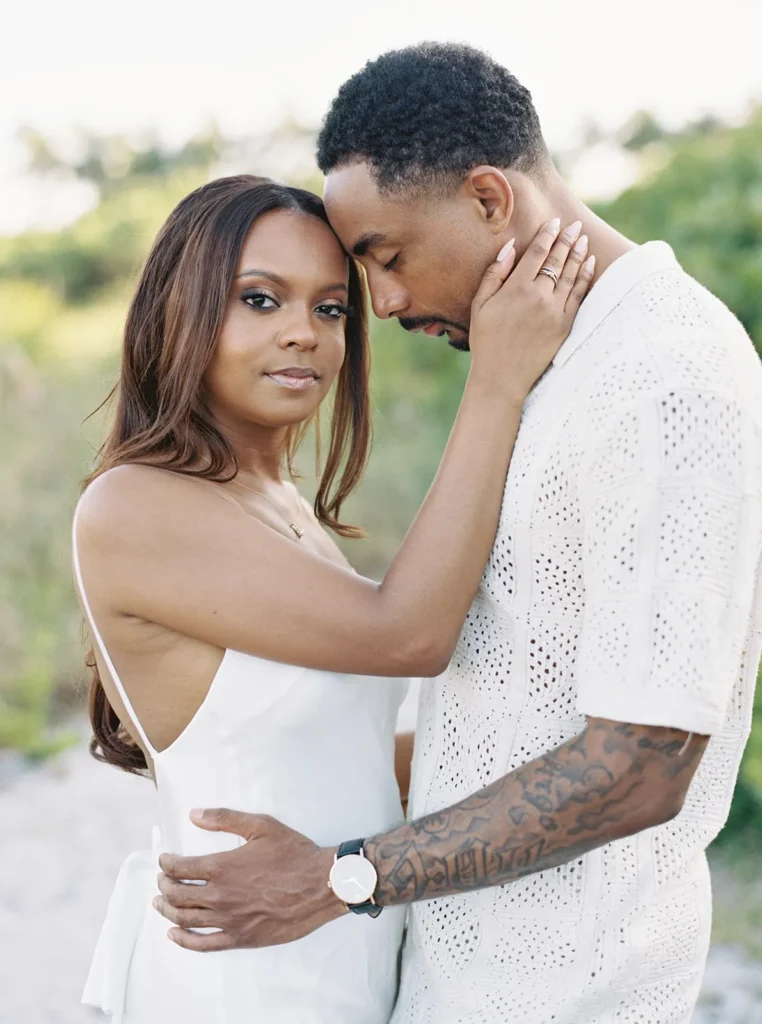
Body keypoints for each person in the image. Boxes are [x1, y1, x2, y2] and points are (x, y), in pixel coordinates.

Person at [154, 44, 762, 1024]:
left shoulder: (667, 373)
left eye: (389, 258)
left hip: (571, 993)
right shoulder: (546, 357)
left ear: (490, 200)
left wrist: (340, 877)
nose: (384, 303)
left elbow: (645, 761)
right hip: (464, 978)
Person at [74, 171, 592, 1023]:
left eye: (329, 309)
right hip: (246, 981)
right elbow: (409, 636)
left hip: (334, 953)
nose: (303, 335)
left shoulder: (279, 506)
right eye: (260, 299)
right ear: (180, 311)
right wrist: (498, 378)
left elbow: (347, 752)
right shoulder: (135, 504)